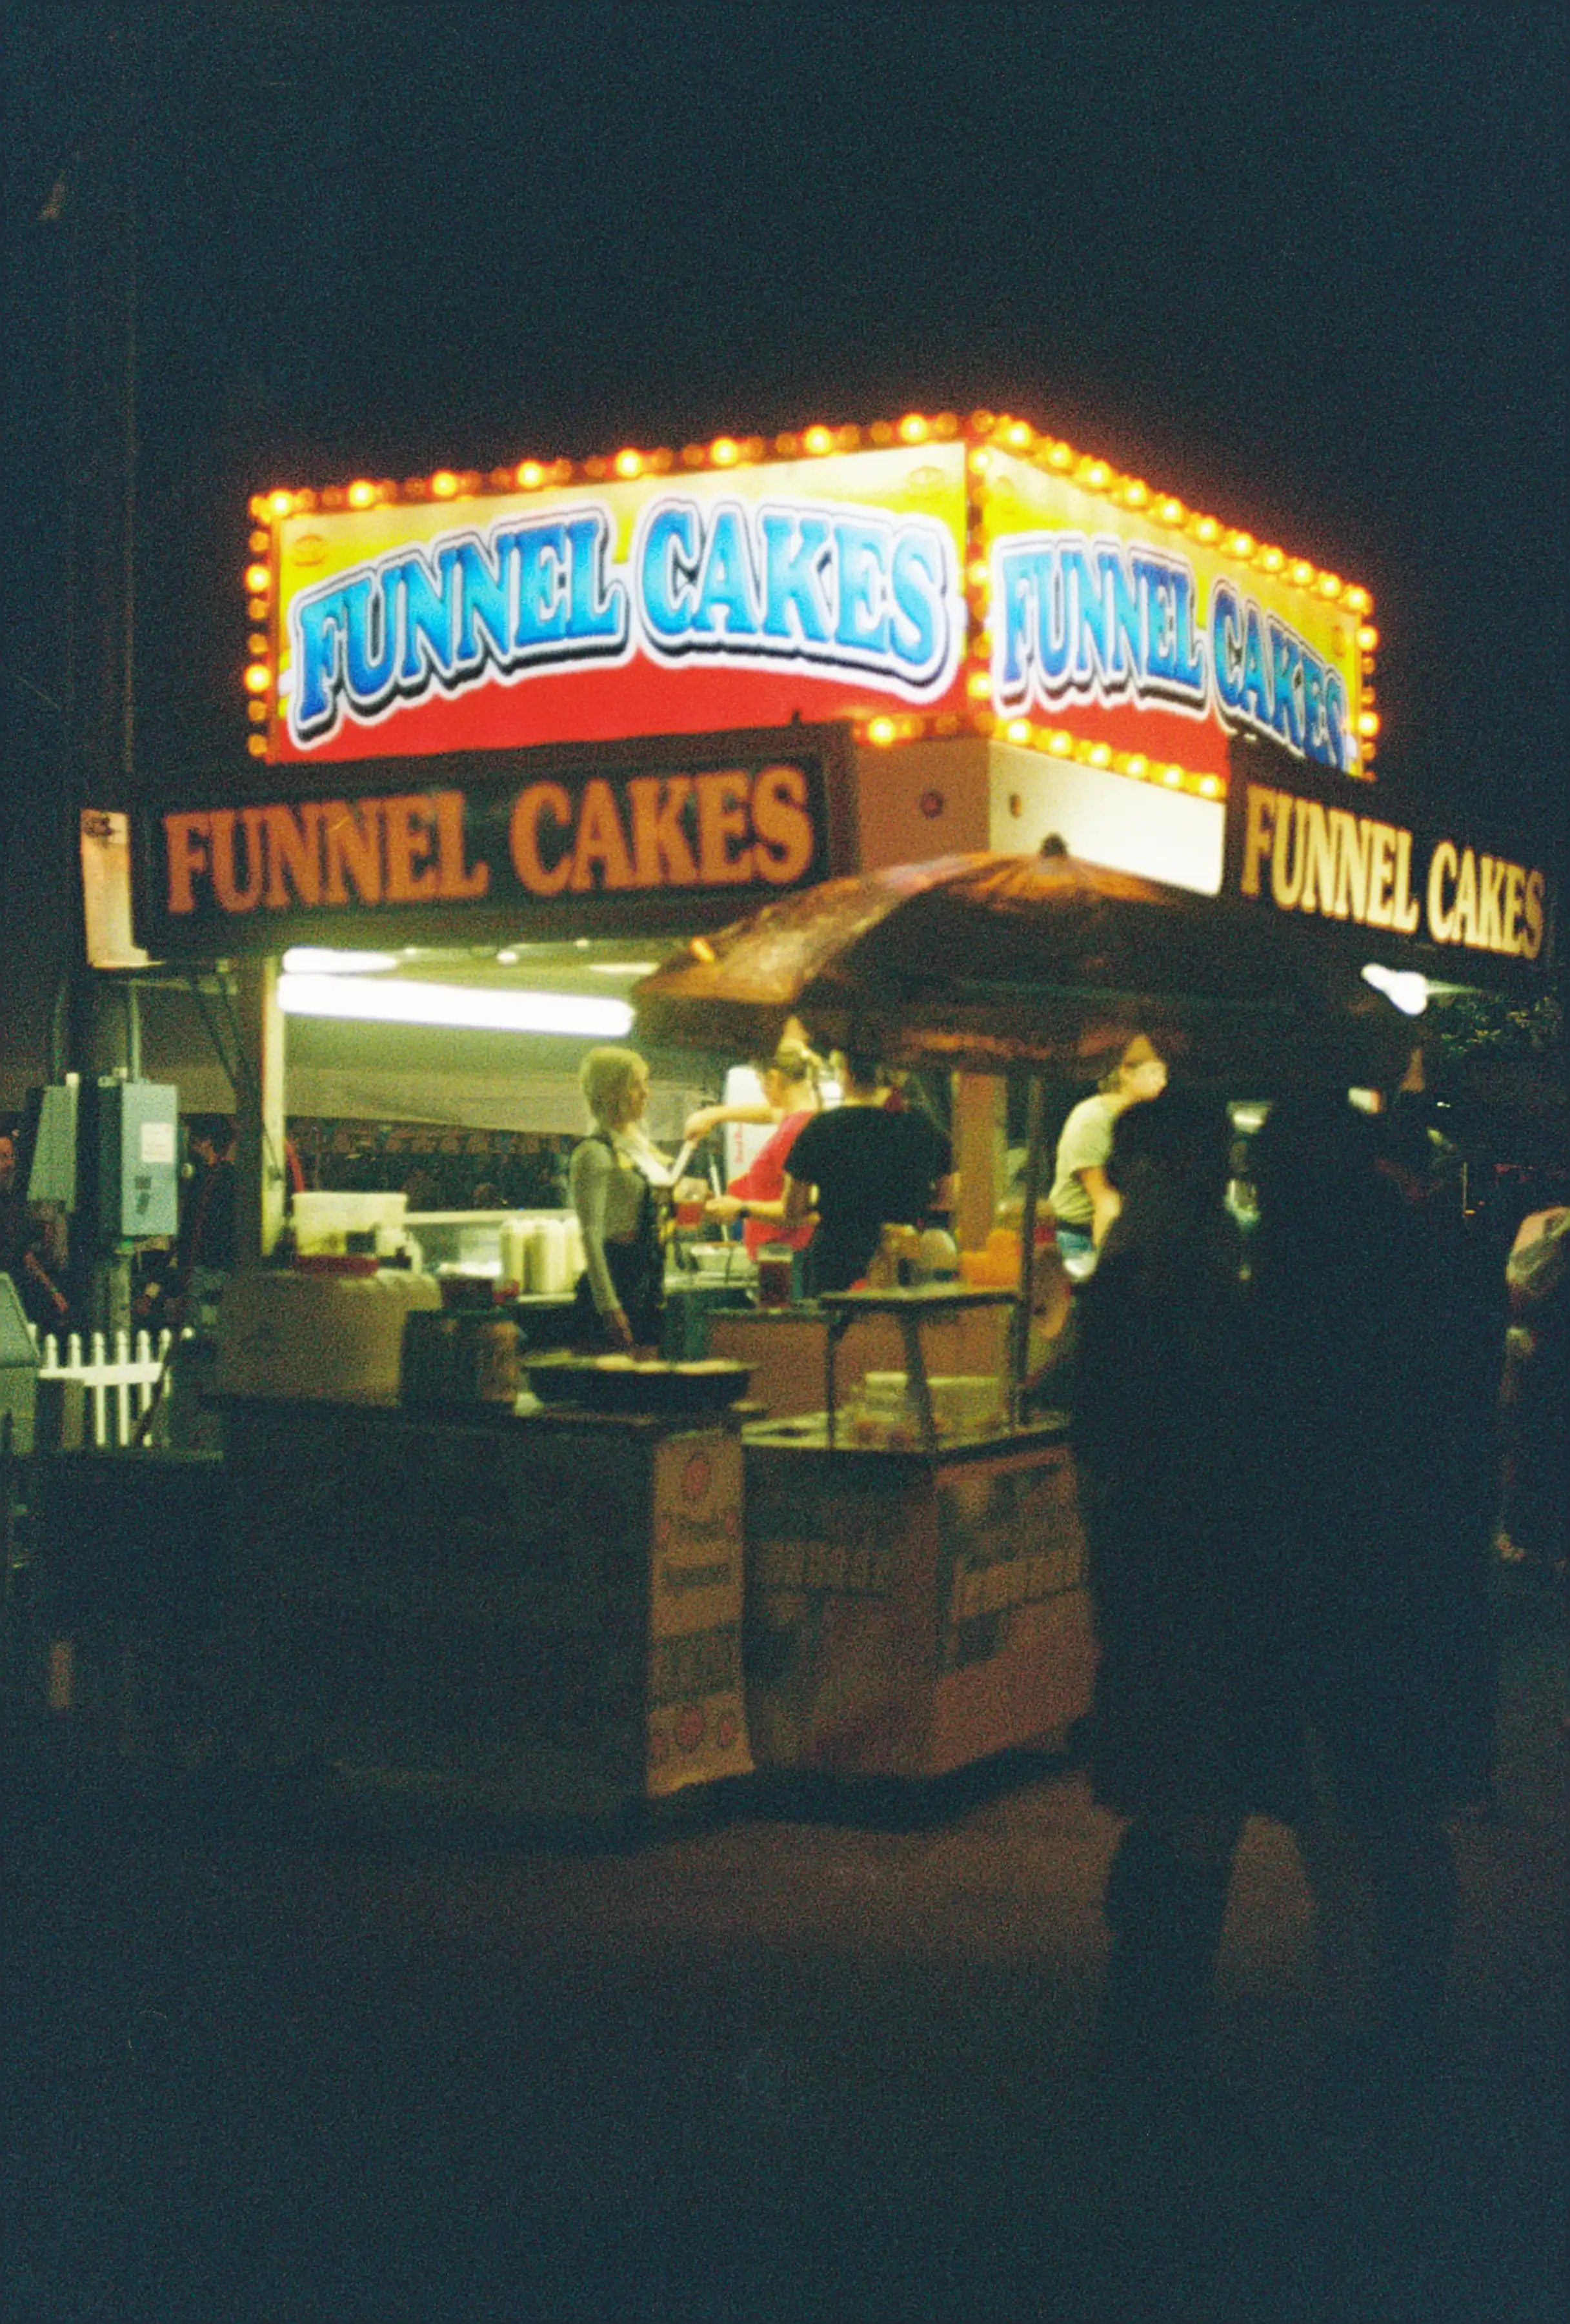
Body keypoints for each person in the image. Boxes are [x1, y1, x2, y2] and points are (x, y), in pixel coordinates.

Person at [1249, 1095, 1498, 2079]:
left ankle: (1370, 2021)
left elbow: (1298, 1427)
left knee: (1353, 1809)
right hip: (1415, 1566)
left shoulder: (1317, 1272)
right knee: (1393, 1807)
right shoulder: (1433, 1260)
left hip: (1342, 1567)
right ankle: (1396, 2011)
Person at [1072, 1087, 1290, 2071]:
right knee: (1193, 1786)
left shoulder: (1152, 1277)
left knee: (1180, 1785)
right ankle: (1153, 2019)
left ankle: (1147, 2010)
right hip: (1191, 1565)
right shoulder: (1190, 1284)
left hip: (1162, 1563)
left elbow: (1099, 1432)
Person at [780, 1043, 953, 1295]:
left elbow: (792, 1209)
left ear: (845, 1073)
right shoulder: (920, 1124)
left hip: (837, 1260)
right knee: (900, 1318)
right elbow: (948, 1197)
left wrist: (832, 1205)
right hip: (903, 1256)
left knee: (838, 1319)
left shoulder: (821, 1128)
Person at [569, 1046, 679, 1351]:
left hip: (649, 1280)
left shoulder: (640, 1148)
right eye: (635, 1085)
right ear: (610, 1092)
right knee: (619, 1373)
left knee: (649, 1370)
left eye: (645, 1083)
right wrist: (608, 1306)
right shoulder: (593, 1153)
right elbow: (590, 1237)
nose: (646, 1094)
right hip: (619, 1277)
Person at [1047, 1034, 1168, 1266]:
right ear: (1126, 1072)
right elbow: (1106, 1202)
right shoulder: (1092, 1119)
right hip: (1079, 1239)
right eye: (1154, 1072)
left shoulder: (1140, 1120)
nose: (1162, 1082)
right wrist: (1108, 1270)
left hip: (1122, 1231)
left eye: (1164, 1074)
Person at [699, 1042, 821, 1263]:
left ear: (773, 1078)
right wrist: (713, 1115)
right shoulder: (802, 1119)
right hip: (783, 1256)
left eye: (760, 1081)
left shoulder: (794, 1131)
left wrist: (741, 1209)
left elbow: (801, 1212)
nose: (762, 1091)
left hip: (785, 1258)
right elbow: (768, 1113)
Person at [0, 1128, 69, 1334]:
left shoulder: (10, 1202)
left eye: (11, 1156)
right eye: (3, 1158)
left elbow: (23, 1252)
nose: (9, 1164)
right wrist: (53, 1291)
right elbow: (22, 1254)